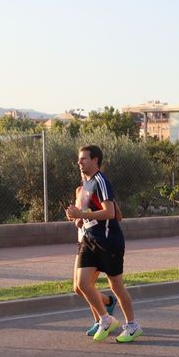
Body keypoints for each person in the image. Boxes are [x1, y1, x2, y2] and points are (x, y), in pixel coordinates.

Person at [65, 144, 142, 343]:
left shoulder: (101, 181)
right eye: (79, 159)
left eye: (83, 158)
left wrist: (82, 214)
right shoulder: (86, 185)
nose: (79, 162)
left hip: (108, 242)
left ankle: (132, 325)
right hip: (89, 240)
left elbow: (111, 213)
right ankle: (105, 318)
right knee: (82, 284)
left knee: (116, 285)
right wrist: (78, 217)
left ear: (95, 160)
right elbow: (87, 214)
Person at [72, 185, 118, 336]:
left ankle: (100, 320)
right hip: (82, 242)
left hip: (97, 243)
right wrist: (77, 218)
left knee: (87, 285)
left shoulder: (100, 190)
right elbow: (79, 217)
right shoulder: (79, 191)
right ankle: (108, 302)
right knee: (78, 288)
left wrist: (86, 215)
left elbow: (116, 216)